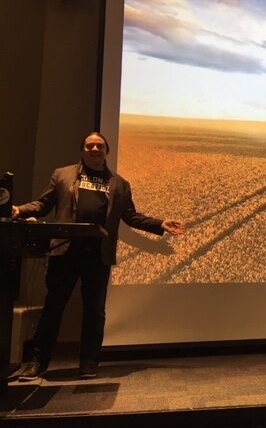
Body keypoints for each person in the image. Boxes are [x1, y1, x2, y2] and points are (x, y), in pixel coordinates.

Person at [12, 132, 185, 380]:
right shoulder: (62, 175)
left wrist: (160, 224)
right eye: (89, 145)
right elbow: (43, 204)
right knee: (53, 308)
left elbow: (131, 216)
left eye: (99, 146)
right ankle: (37, 363)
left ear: (107, 151)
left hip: (97, 256)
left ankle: (89, 364)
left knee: (95, 311)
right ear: (82, 150)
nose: (94, 149)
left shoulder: (119, 184)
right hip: (65, 252)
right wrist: (20, 209)